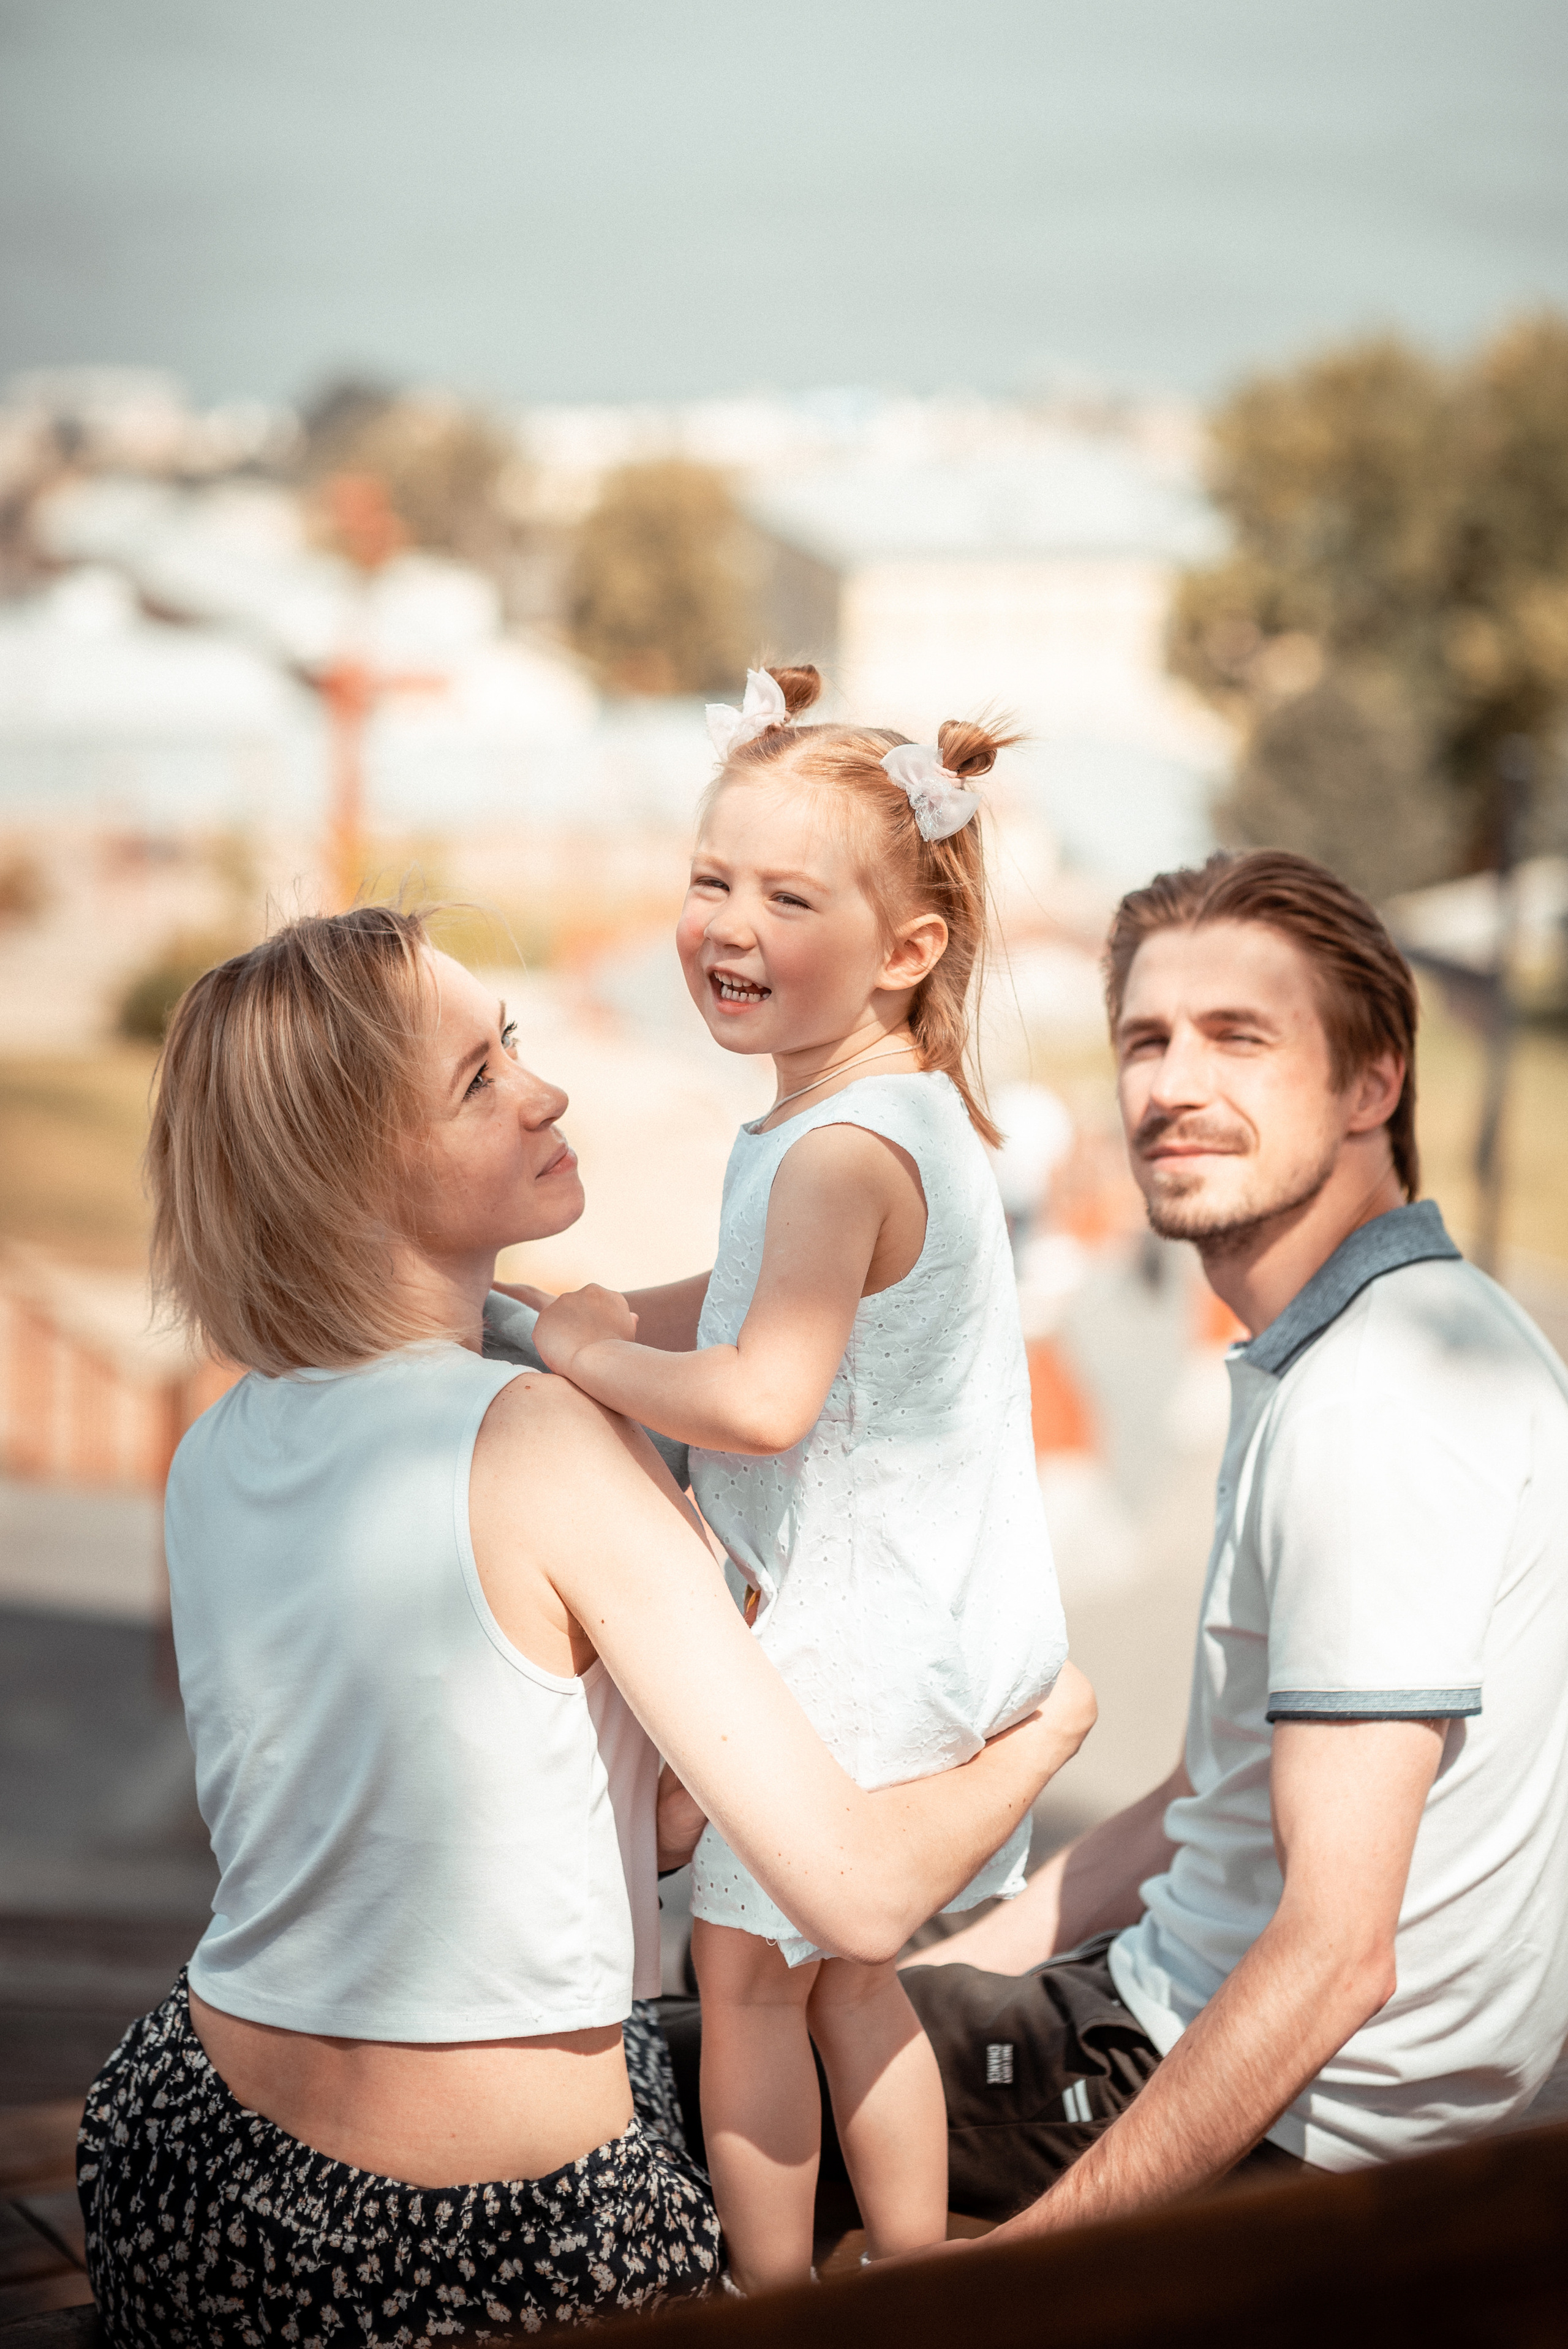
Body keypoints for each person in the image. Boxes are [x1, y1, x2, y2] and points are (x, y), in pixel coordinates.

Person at [76, 905, 1095, 2347]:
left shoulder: (217, 1447)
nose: (543, 1092)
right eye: (478, 1081)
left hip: (177, 2153)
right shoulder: (543, 1439)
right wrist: (1046, 1732)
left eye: (513, 1046)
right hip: (489, 2238)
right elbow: (856, 1899)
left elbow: (560, 1822)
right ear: (350, 1169)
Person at [900, 848, 1568, 2233]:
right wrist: (944, 1980)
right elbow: (1208, 1797)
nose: (1172, 1085)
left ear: (1371, 1084)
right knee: (824, 2013)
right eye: (1147, 1040)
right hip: (1189, 2010)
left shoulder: (1377, 1398)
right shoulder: (1376, 1337)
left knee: (656, 2096)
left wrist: (1017, 2282)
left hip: (1277, 2117)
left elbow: (1333, 1961)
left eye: (1236, 1038)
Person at [530, 666, 1069, 2292]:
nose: (730, 926)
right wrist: (614, 1311)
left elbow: (765, 1398)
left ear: (908, 949)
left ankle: (772, 2305)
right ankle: (911, 2268)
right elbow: (767, 1303)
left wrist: (584, 1360)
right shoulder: (881, 1113)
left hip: (853, 1633)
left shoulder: (836, 1151)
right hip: (921, 1615)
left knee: (747, 1979)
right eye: (712, 881)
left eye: (787, 897)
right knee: (846, 1976)